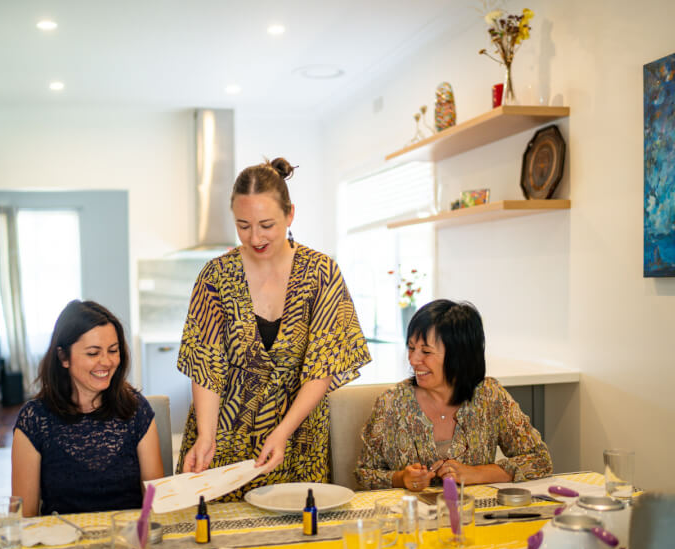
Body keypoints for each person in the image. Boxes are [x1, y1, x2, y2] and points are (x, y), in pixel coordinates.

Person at [177, 157, 371, 500]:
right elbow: (206, 366)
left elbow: (321, 368)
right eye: (243, 225)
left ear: (290, 214)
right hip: (224, 431)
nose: (255, 237)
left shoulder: (321, 274)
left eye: (266, 224)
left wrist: (282, 432)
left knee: (296, 529)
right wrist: (206, 435)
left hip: (298, 433)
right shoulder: (216, 276)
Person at [355, 299, 552, 490]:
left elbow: (539, 460)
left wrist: (478, 474)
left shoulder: (490, 396)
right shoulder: (391, 403)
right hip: (413, 519)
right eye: (411, 347)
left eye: (426, 351)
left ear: (459, 356)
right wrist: (401, 478)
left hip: (474, 516)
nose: (413, 360)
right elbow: (364, 475)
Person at [12, 300, 164, 516]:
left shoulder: (136, 410)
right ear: (64, 357)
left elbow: (155, 506)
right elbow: (23, 520)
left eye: (113, 350)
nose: (107, 362)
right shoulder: (34, 420)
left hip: (129, 544)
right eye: (93, 353)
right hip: (62, 546)